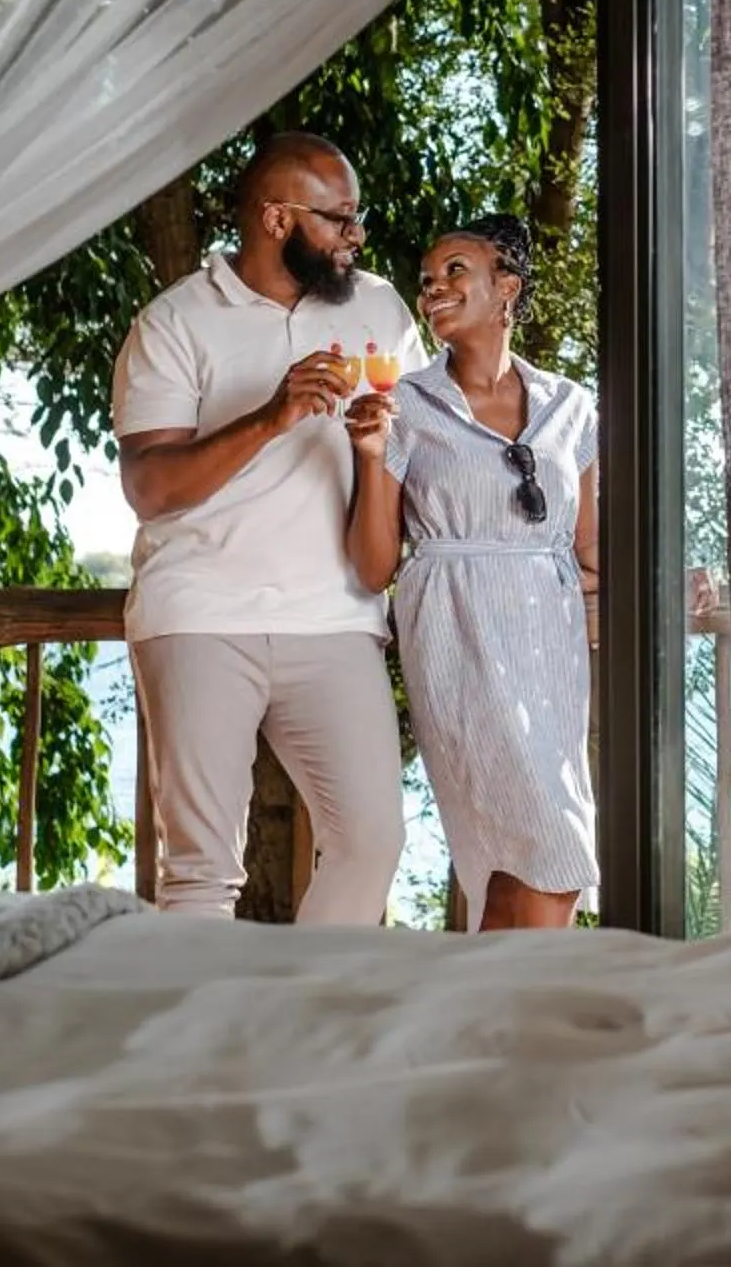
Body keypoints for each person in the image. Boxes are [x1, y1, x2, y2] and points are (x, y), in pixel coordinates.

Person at [111, 131, 424, 921]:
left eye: (357, 219)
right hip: (201, 613)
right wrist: (272, 416)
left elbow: (424, 453)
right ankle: (204, 1046)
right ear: (277, 218)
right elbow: (150, 486)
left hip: (337, 619)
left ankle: (299, 1028)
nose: (356, 236)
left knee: (372, 841)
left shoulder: (381, 309)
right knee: (199, 875)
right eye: (339, 219)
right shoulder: (174, 323)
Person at [345, 215, 601, 931]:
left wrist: (681, 582)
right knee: (548, 850)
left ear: (506, 289)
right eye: (427, 281)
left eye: (455, 271)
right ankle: (505, 1028)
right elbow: (372, 568)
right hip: (457, 636)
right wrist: (369, 455)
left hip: (550, 651)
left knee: (535, 859)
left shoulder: (570, 407)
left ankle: (494, 1025)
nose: (433, 288)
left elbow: (593, 552)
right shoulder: (405, 408)